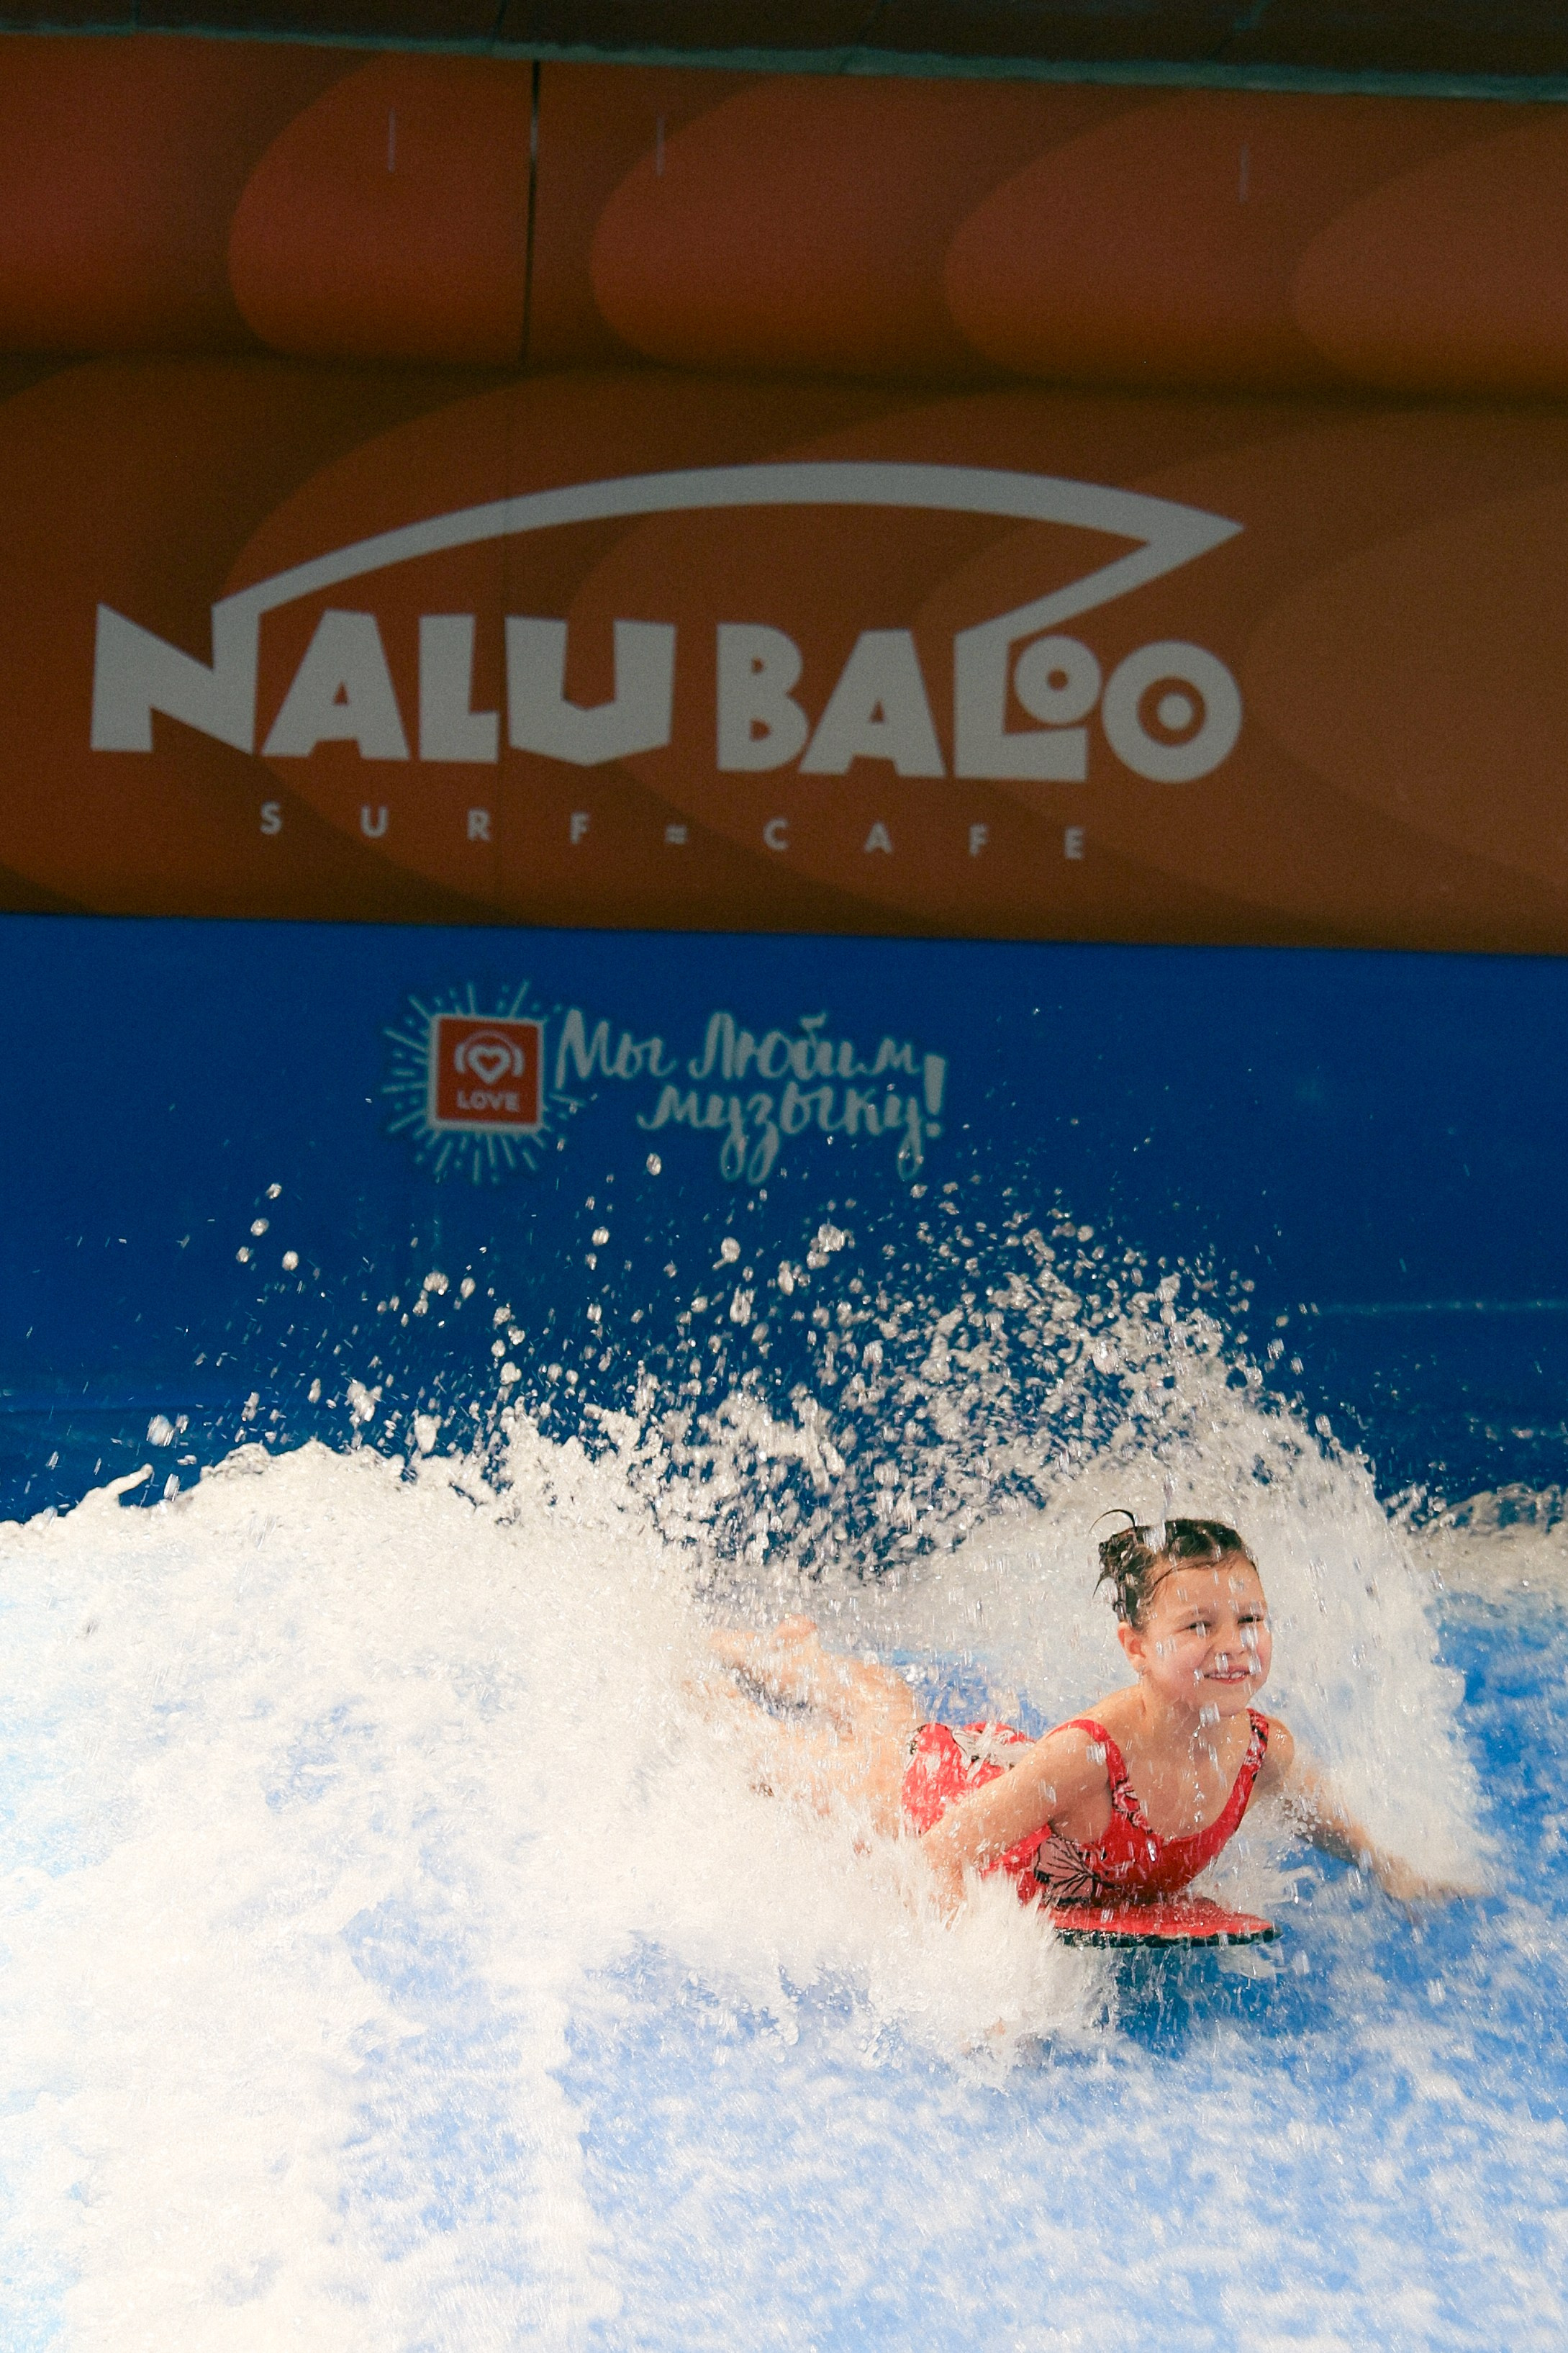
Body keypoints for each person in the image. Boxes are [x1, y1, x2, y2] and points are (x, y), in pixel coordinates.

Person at [708, 1514, 1462, 1919]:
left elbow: (1314, 1806)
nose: (1233, 1646)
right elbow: (934, 1857)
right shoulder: (1091, 1756)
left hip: (1015, 1775)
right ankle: (701, 1677)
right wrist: (987, 1982)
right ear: (1134, 1646)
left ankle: (802, 1660)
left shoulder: (1258, 1747)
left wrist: (1384, 1863)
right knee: (775, 1759)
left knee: (890, 1717)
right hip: (934, 1792)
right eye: (1198, 1626)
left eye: (1250, 1618)